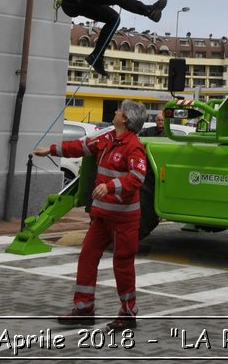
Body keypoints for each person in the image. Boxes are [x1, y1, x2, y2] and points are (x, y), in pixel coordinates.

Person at [35, 100, 148, 329]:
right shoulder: (107, 139)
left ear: (125, 119)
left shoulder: (133, 146)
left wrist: (110, 186)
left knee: (122, 265)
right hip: (102, 217)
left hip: (124, 219)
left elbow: (137, 177)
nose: (115, 112)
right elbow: (81, 146)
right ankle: (84, 309)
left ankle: (128, 314)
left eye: (119, 110)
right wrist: (52, 150)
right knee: (87, 258)